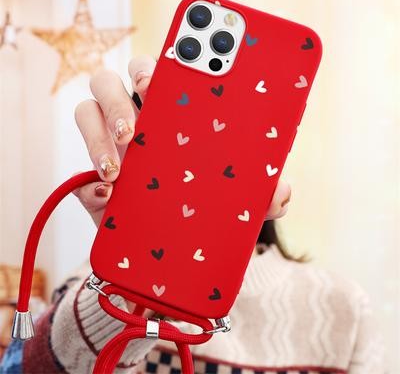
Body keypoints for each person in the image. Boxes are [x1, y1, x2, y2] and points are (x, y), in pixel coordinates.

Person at [0, 57, 385, 374]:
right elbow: (22, 368)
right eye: (182, 134)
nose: (203, 159)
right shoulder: (99, 286)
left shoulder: (341, 309)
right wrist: (144, 277)